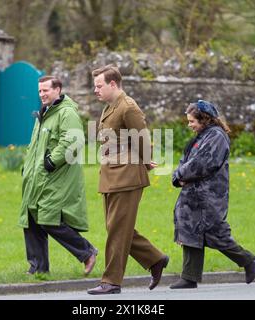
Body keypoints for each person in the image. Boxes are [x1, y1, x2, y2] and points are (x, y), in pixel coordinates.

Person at [87, 64, 169, 295]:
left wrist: (146, 161)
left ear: (113, 84)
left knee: (117, 230)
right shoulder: (110, 106)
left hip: (127, 176)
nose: (96, 90)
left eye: (99, 85)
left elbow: (142, 137)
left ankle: (111, 282)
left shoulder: (128, 106)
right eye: (95, 86)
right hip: (112, 175)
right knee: (118, 228)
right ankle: (155, 259)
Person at [170, 100, 255, 289]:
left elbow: (202, 163)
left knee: (215, 233)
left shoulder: (216, 136)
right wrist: (179, 177)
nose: (189, 125)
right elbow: (185, 161)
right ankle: (189, 277)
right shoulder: (201, 136)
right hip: (194, 195)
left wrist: (180, 175)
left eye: (192, 121)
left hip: (207, 196)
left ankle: (248, 260)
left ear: (204, 119)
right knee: (191, 231)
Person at [18, 75, 97, 276]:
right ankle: (38, 269)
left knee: (48, 219)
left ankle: (87, 251)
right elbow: (35, 146)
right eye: (40, 91)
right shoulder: (44, 113)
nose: (42, 94)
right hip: (37, 177)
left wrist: (52, 161)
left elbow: (74, 141)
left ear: (58, 89)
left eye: (46, 90)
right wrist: (27, 167)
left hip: (56, 177)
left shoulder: (66, 113)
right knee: (32, 219)